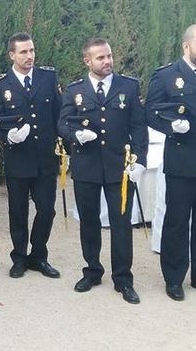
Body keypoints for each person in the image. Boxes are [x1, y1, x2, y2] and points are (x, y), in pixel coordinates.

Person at [58, 37, 148, 305]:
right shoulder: (74, 90)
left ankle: (123, 278)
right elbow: (62, 124)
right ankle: (93, 271)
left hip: (119, 167)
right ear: (87, 61)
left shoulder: (128, 87)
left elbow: (138, 127)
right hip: (86, 166)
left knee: (121, 223)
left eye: (109, 56)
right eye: (101, 58)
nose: (107, 61)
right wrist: (76, 134)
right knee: (89, 220)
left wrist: (140, 161)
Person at [146, 24, 196, 301]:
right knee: (176, 221)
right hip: (183, 162)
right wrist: (172, 126)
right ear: (187, 47)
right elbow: (150, 112)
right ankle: (174, 278)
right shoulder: (167, 76)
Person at [0, 32, 61, 279]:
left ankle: (38, 255)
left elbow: (57, 114)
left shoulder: (48, 77)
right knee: (17, 210)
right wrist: (9, 136)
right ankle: (19, 257)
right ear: (12, 55)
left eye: (31, 50)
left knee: (46, 209)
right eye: (23, 52)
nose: (29, 56)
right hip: (18, 158)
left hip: (44, 158)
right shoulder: (0, 85)